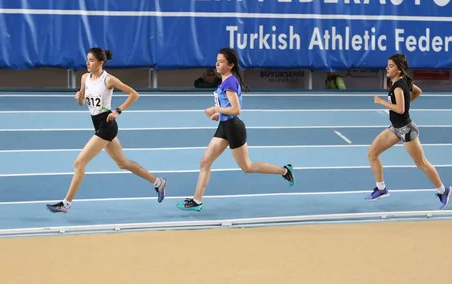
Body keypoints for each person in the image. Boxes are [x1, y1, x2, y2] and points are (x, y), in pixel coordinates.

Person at [46, 47, 167, 213]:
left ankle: (66, 204)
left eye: (91, 60)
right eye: (87, 59)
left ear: (100, 63)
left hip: (107, 125)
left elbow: (134, 94)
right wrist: (79, 98)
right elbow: (82, 103)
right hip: (97, 124)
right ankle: (158, 182)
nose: (87, 63)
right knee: (123, 163)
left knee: (79, 162)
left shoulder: (108, 80)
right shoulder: (84, 78)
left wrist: (118, 110)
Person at [177, 48, 295, 212]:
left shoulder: (230, 82)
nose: (217, 64)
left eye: (221, 61)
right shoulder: (224, 81)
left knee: (247, 167)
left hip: (233, 129)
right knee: (205, 162)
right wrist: (219, 115)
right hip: (224, 126)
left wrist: (216, 109)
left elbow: (236, 109)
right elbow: (228, 107)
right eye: (217, 60)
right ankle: (197, 202)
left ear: (230, 65)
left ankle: (284, 170)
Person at [365, 54, 452, 209]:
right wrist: (405, 100)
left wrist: (382, 102)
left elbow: (400, 109)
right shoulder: (403, 81)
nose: (387, 68)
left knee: (421, 162)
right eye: (388, 65)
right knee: (372, 153)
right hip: (395, 129)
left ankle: (443, 190)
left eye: (391, 66)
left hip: (406, 130)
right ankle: (381, 188)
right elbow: (418, 92)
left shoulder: (398, 86)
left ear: (399, 70)